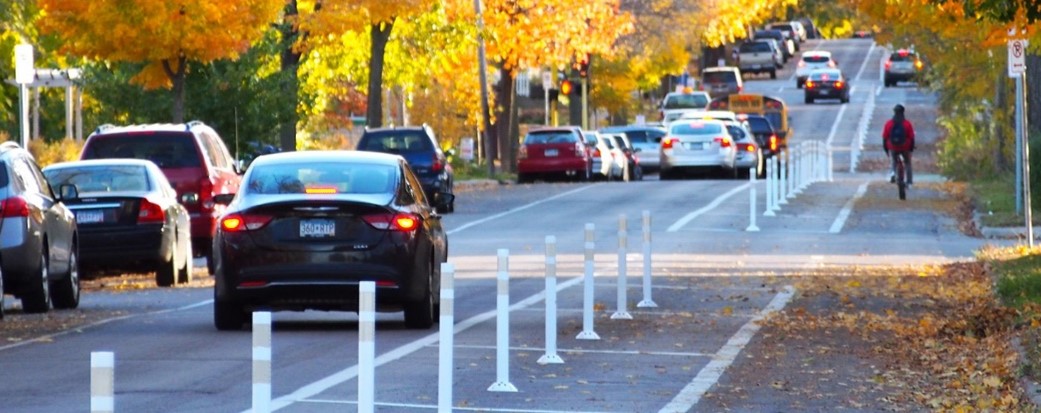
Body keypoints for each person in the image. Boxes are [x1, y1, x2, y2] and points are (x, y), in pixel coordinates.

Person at [882, 104, 916, 186]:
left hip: (892, 146)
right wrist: (911, 149)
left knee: (894, 160)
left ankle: (893, 173)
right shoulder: (907, 124)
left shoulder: (888, 124)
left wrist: (886, 150)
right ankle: (909, 182)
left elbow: (884, 137)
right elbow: (912, 138)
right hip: (905, 146)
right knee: (908, 163)